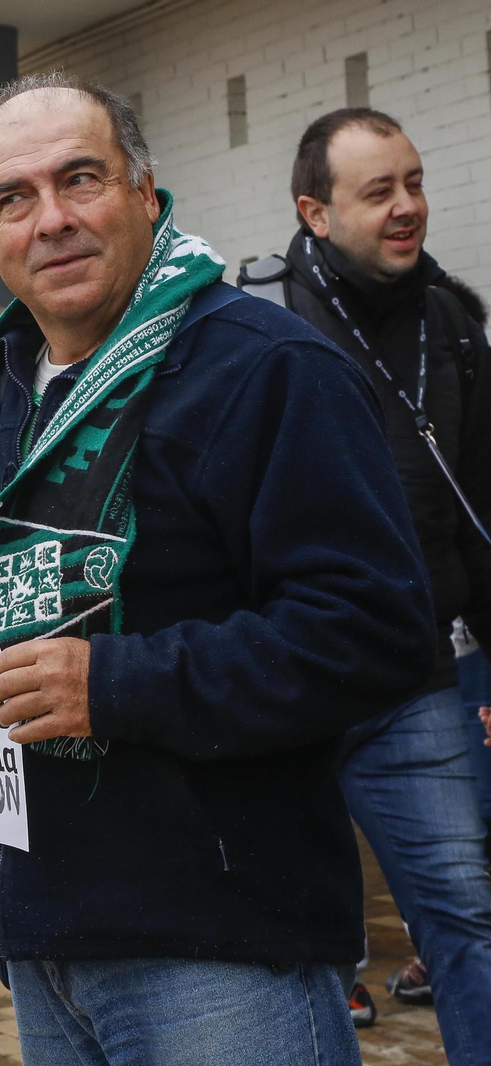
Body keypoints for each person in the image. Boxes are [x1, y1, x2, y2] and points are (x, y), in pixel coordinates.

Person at [0, 74, 435, 1066]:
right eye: (14, 198)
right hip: (40, 924)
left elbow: (374, 632)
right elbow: (3, 610)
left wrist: (111, 683)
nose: (53, 218)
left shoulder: (266, 368)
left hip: (216, 942)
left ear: (145, 196)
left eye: (82, 179)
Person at [237, 107, 491, 1058]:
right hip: (286, 687)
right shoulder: (254, 322)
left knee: (463, 919)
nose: (407, 207)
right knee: (304, 943)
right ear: (315, 211)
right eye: (378, 190)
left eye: (415, 182)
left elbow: (484, 507)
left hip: (412, 678)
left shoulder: (455, 321)